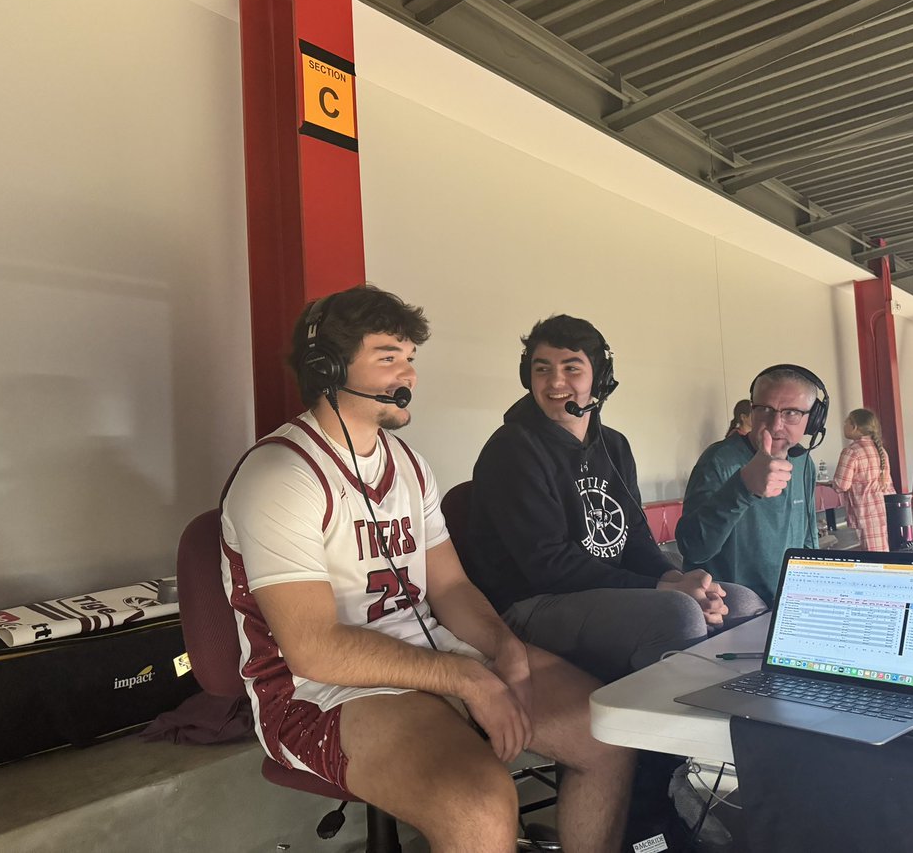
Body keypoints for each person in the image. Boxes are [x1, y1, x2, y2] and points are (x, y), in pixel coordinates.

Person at [220, 287, 634, 853]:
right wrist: (467, 679)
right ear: (329, 368)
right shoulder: (279, 475)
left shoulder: (410, 465)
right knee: (479, 802)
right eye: (389, 357)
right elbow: (314, 649)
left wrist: (503, 647)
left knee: (607, 732)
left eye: (411, 357)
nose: (409, 373)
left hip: (432, 653)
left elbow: (452, 588)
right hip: (318, 692)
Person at [459, 315, 765, 685]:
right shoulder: (511, 449)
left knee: (741, 602)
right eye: (542, 369)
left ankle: (742, 724)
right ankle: (663, 740)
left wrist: (674, 577)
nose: (555, 382)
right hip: (533, 603)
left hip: (603, 591)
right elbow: (548, 565)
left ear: (599, 377)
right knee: (678, 614)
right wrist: (662, 589)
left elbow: (634, 536)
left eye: (572, 368)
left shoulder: (614, 445)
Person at [676, 365, 826, 607]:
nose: (776, 424)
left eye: (791, 413)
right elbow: (693, 548)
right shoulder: (719, 460)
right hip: (732, 613)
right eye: (765, 409)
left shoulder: (803, 463)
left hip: (786, 607)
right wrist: (744, 487)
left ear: (812, 420)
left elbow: (808, 541)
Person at [832, 408, 896, 551]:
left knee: (873, 558)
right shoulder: (880, 450)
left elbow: (841, 485)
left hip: (867, 510)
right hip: (887, 507)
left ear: (854, 427)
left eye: (846, 422)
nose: (844, 426)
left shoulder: (851, 451)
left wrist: (828, 484)